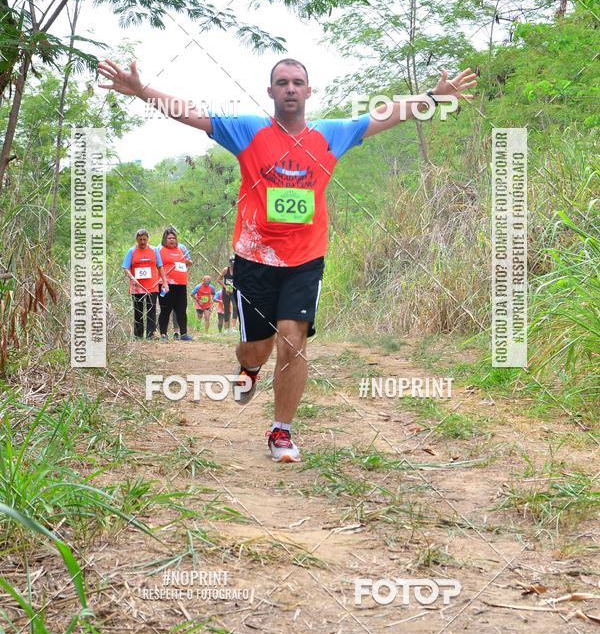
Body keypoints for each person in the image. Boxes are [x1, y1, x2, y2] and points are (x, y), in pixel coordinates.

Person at [99, 57, 476, 462]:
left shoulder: (332, 134)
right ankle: (249, 370)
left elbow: (385, 116)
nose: (291, 88)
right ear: (271, 92)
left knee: (293, 341)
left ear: (309, 92)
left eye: (298, 82)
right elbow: (192, 114)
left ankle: (281, 430)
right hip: (254, 259)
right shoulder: (248, 130)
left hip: (305, 260)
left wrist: (435, 97)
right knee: (255, 348)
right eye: (283, 82)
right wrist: (141, 90)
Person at [121, 228, 169, 340]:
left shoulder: (154, 250)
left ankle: (151, 334)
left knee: (151, 310)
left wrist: (165, 282)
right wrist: (131, 277)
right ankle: (138, 335)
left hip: (152, 286)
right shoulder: (131, 251)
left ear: (148, 239)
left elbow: (160, 266)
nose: (142, 242)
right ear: (136, 240)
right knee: (138, 311)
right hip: (136, 287)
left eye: (144, 239)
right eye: (140, 240)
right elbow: (125, 267)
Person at [158, 227, 193, 341]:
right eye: (169, 238)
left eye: (173, 238)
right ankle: (163, 334)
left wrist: (188, 262)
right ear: (165, 239)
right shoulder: (160, 250)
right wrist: (163, 282)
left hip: (181, 284)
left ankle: (184, 334)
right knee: (166, 309)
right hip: (166, 284)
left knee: (181, 309)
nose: (172, 240)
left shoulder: (181, 249)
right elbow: (157, 266)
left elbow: (189, 262)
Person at [219, 257, 238, 333]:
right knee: (226, 309)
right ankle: (226, 328)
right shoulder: (225, 270)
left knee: (235, 307)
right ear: (230, 263)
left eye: (234, 263)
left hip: (234, 292)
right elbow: (218, 280)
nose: (233, 265)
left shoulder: (238, 271)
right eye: (231, 263)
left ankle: (233, 327)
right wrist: (225, 287)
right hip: (226, 292)